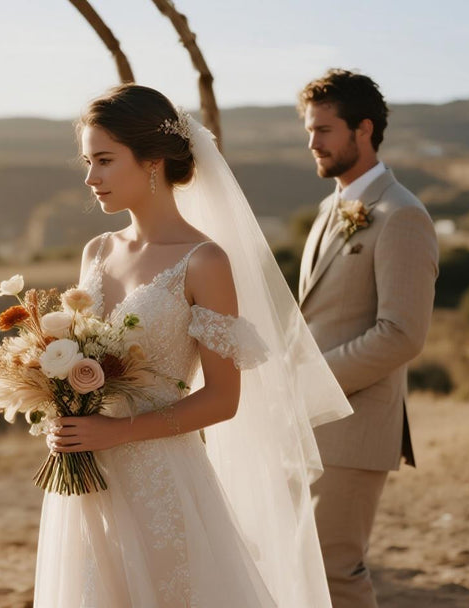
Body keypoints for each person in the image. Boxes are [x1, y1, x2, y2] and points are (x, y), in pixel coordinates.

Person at [36, 83, 353, 607]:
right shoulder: (96, 252)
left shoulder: (204, 262)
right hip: (86, 478)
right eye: (87, 161)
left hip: (161, 482)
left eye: (105, 161)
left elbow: (224, 399)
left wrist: (119, 431)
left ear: (154, 161)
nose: (91, 178)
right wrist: (61, 413)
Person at [297, 69, 439, 608]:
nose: (313, 142)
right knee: (305, 569)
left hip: (355, 428)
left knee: (337, 573)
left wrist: (309, 384)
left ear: (364, 130)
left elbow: (401, 335)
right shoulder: (326, 210)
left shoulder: (402, 215)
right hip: (311, 424)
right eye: (309, 130)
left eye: (325, 130)